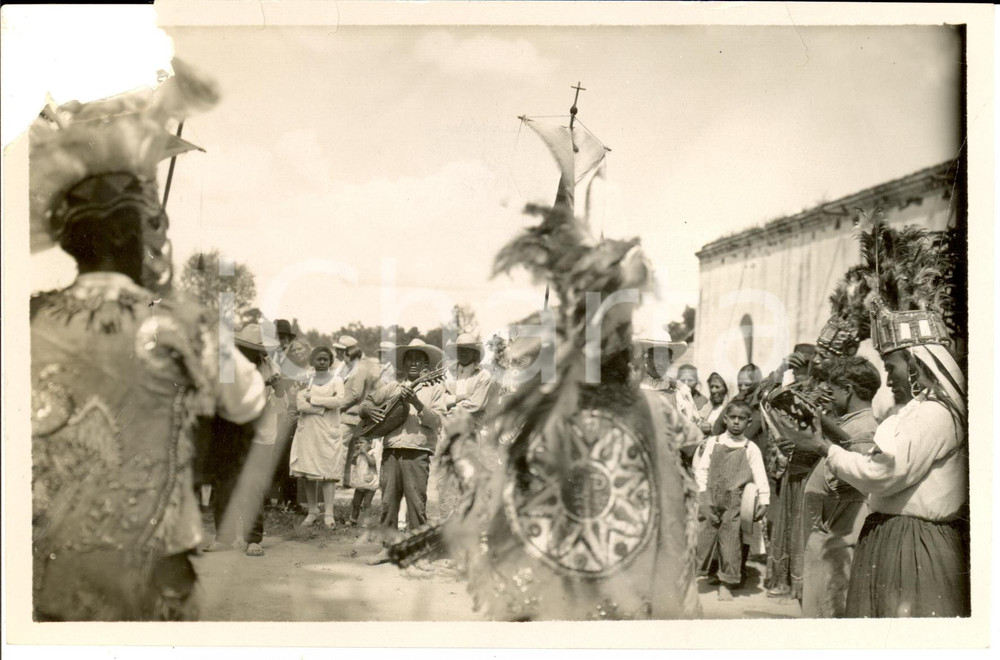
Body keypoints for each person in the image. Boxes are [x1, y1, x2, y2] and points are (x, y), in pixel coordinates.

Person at [29, 62, 268, 620]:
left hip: (48, 567)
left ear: (70, 243)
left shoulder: (26, 319)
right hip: (152, 568)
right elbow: (249, 400)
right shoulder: (182, 326)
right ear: (143, 237)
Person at [784, 214, 968, 618]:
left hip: (914, 544)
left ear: (918, 365)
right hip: (891, 538)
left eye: (893, 366)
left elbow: (883, 472)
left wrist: (823, 446)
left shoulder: (935, 415)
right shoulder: (914, 413)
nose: (889, 377)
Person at [800, 356, 880, 617]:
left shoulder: (865, 426)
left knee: (831, 603)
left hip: (837, 526)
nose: (830, 397)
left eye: (833, 391)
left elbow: (859, 471)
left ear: (847, 389)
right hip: (828, 526)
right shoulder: (850, 420)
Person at [205, 324, 286, 557]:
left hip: (260, 435)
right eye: (243, 348)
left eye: (253, 350)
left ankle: (253, 538)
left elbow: (281, 406)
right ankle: (224, 537)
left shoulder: (272, 368)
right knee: (225, 486)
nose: (246, 353)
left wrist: (279, 390)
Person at [363, 338, 446, 563]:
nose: (413, 363)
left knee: (416, 502)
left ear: (427, 365)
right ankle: (387, 548)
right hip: (391, 449)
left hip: (417, 450)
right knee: (388, 502)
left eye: (418, 359)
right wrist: (370, 411)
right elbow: (366, 403)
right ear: (403, 362)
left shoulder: (436, 388)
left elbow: (437, 421)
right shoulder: (392, 387)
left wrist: (418, 404)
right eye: (409, 358)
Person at [694, 400, 770, 600]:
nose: (736, 422)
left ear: (749, 422)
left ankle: (726, 582)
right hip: (710, 497)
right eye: (733, 417)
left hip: (734, 502)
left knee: (729, 541)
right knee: (706, 536)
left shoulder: (750, 447)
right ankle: (709, 572)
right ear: (725, 419)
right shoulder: (714, 442)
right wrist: (702, 493)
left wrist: (764, 499)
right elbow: (701, 469)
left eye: (741, 418)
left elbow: (760, 475)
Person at [289, 346, 346, 528]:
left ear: (330, 361)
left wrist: (313, 400)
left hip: (328, 431)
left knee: (328, 472)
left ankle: (328, 513)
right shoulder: (307, 379)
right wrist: (322, 407)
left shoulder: (337, 380)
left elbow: (339, 401)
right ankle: (312, 511)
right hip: (308, 431)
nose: (322, 362)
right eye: (318, 359)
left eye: (325, 359)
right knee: (308, 471)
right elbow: (299, 404)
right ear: (312, 361)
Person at [698, 372, 730, 436]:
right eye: (711, 387)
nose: (713, 390)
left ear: (726, 389)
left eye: (717, 387)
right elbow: (698, 419)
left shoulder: (730, 407)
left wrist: (711, 427)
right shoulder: (708, 405)